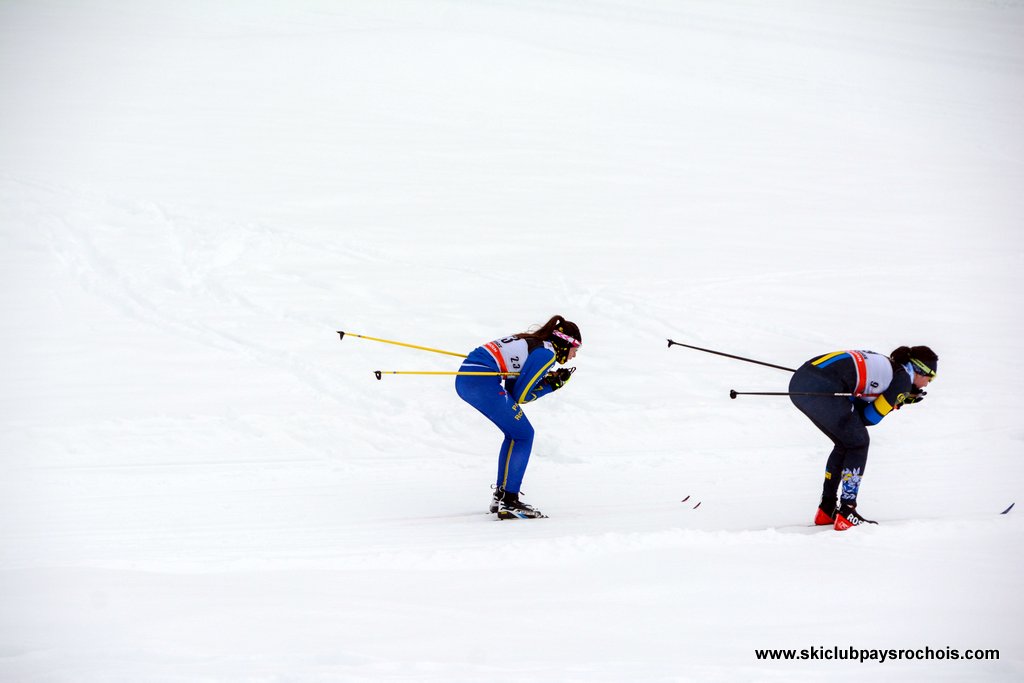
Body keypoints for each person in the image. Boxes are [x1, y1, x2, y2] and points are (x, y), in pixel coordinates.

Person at [789, 345, 938, 530]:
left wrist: (894, 399)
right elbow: (869, 418)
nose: (927, 383)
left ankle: (827, 509)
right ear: (918, 369)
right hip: (820, 386)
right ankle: (847, 511)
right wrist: (896, 401)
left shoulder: (891, 367)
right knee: (858, 443)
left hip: (803, 380)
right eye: (930, 377)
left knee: (847, 441)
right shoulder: (902, 381)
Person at [455, 315, 581, 520]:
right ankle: (509, 500)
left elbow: (513, 391)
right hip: (480, 382)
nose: (574, 355)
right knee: (524, 435)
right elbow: (521, 396)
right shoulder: (545, 354)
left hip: (470, 379)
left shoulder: (534, 343)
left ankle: (502, 497)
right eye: (576, 349)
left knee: (516, 433)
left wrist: (544, 380)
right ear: (565, 343)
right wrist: (551, 386)